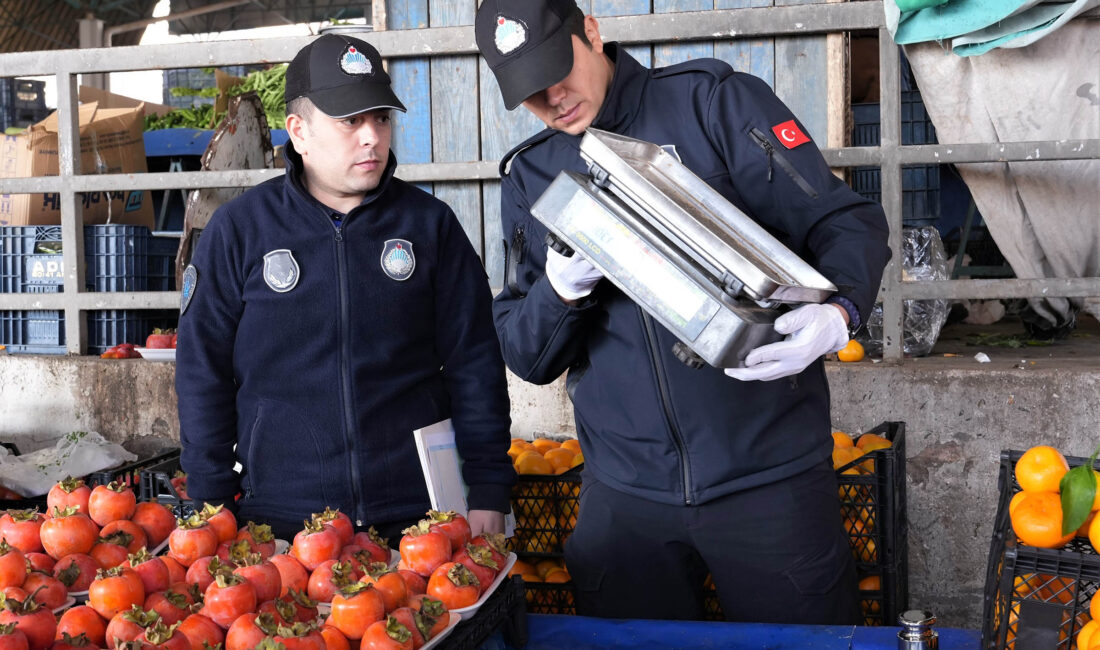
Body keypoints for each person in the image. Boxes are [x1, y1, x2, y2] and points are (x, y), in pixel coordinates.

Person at [475, 0, 891, 623]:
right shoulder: (533, 176)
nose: (553, 99)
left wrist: (841, 311)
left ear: (591, 30)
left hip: (768, 478)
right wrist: (558, 292)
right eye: (529, 92)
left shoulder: (712, 105)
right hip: (624, 496)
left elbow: (844, 221)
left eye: (557, 70)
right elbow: (526, 355)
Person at [175, 34, 515, 543]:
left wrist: (488, 484)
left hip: (419, 517)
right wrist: (211, 503)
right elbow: (202, 372)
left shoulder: (430, 226)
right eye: (350, 121)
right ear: (299, 131)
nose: (372, 137)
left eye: (380, 117)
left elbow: (476, 361)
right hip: (282, 519)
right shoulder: (240, 231)